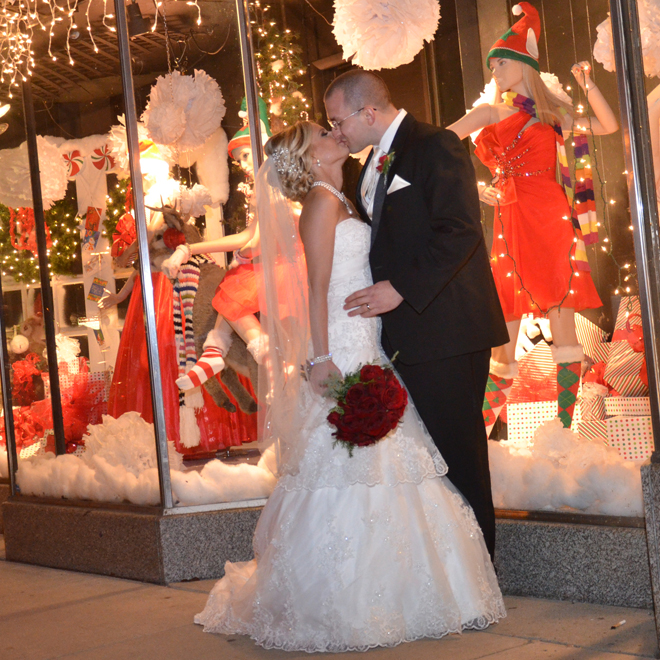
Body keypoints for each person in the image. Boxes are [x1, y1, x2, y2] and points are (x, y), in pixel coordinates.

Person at [194, 122, 506, 651]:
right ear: (310, 156)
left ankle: (406, 591)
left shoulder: (343, 193)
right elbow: (315, 287)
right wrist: (319, 358)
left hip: (371, 337)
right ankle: (345, 599)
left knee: (392, 458)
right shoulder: (320, 202)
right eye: (323, 131)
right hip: (342, 340)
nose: (334, 132)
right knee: (347, 460)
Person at [325, 70, 508, 558]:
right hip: (404, 335)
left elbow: (461, 230)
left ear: (368, 112)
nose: (336, 131)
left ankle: (482, 571)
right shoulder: (367, 166)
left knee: (459, 454)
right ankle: (454, 574)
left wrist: (400, 290)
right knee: (429, 459)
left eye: (337, 120)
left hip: (447, 329)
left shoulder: (436, 144)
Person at [446, 2, 618, 434]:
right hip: (510, 221)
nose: (495, 71)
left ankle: (563, 431)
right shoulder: (489, 114)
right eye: (492, 64)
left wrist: (588, 85)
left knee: (564, 326)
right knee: (501, 336)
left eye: (502, 62)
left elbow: (609, 126)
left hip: (553, 222)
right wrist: (471, 187)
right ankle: (480, 435)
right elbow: (438, 146)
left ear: (523, 64)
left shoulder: (552, 116)